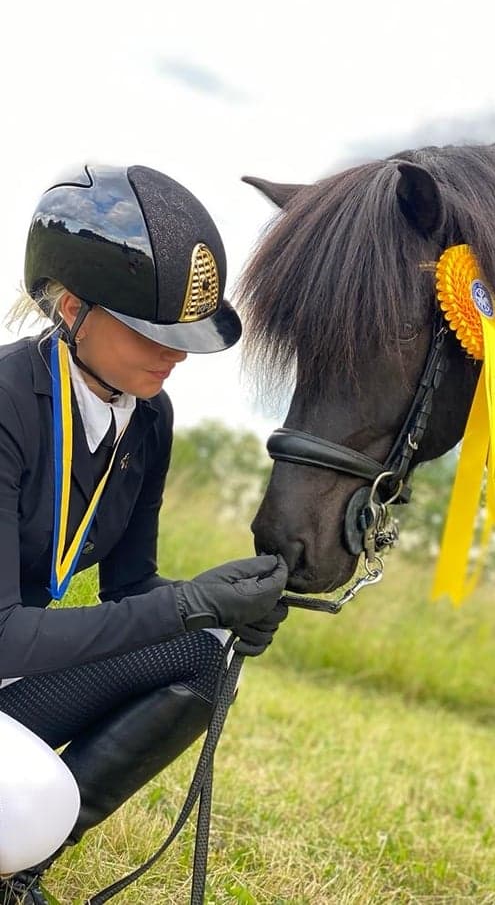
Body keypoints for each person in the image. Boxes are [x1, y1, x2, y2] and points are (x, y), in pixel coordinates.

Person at [0, 164, 289, 904]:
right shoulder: (5, 403)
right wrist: (189, 602)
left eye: (185, 334)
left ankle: (20, 876)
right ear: (70, 307)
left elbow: (133, 589)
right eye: (148, 331)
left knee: (206, 651)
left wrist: (229, 606)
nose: (177, 354)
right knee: (34, 803)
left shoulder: (149, 417)